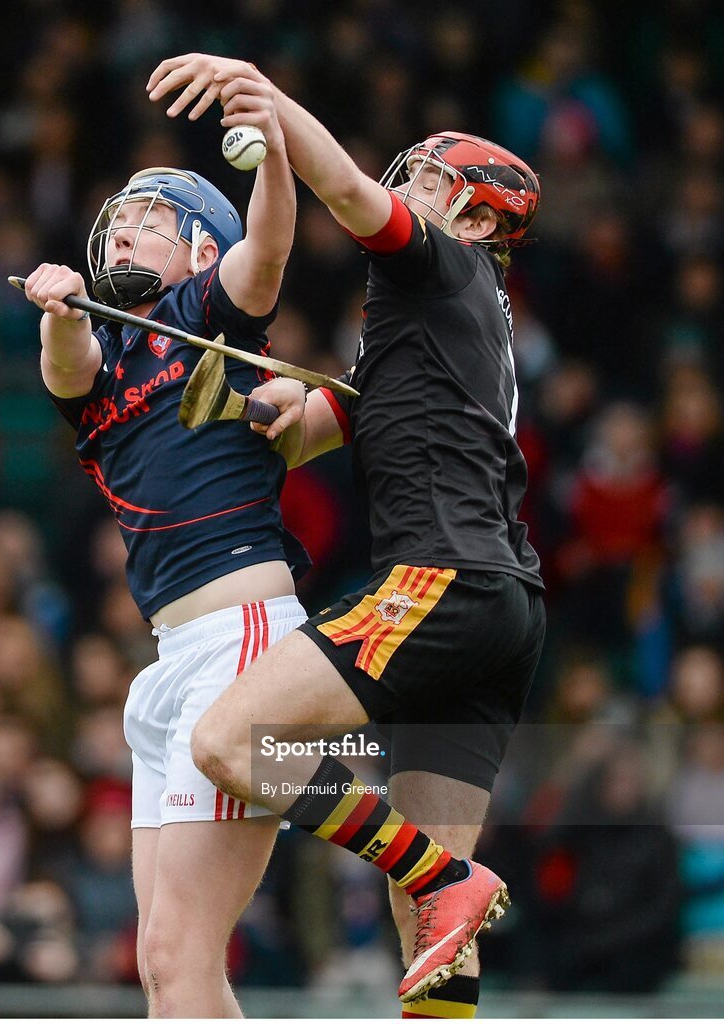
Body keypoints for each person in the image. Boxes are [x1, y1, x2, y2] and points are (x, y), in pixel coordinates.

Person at [147, 55, 546, 1016]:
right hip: (505, 610)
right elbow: (320, 422)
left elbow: (342, 187)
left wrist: (268, 99)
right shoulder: (454, 323)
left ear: (481, 220)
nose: (404, 189)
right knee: (429, 938)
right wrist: (281, 403)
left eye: (427, 182)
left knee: (232, 742)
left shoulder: (441, 264)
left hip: (441, 581)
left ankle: (451, 878)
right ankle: (442, 885)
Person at [21, 70, 309, 1018]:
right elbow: (68, 372)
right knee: (167, 967)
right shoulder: (98, 358)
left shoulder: (206, 319)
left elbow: (265, 251)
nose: (117, 236)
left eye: (144, 218)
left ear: (197, 247)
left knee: (178, 957)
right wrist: (62, 312)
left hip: (241, 642)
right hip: (168, 663)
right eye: (110, 224)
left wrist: (270, 152)